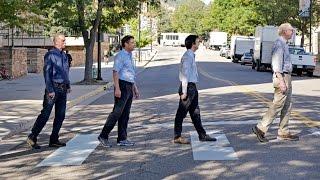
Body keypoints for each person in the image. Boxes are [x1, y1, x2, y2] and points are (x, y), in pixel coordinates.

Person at [252, 23, 299, 143]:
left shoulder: (284, 44)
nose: (292, 32)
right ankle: (261, 128)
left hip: (286, 76)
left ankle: (283, 131)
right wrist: (281, 81)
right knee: (278, 104)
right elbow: (277, 64)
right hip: (281, 76)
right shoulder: (279, 44)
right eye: (290, 30)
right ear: (284, 31)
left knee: (287, 105)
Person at [27, 34, 71, 149]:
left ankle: (54, 139)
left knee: (60, 115)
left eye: (65, 40)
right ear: (56, 42)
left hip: (63, 89)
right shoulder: (50, 55)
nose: (65, 42)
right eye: (63, 40)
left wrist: (68, 85)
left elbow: (65, 72)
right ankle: (32, 136)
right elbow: (47, 73)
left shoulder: (64, 55)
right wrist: (50, 90)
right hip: (53, 89)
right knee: (45, 114)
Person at [173, 35, 217, 144]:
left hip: (192, 87)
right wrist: (184, 91)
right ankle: (177, 137)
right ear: (193, 44)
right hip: (188, 87)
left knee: (195, 112)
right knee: (181, 113)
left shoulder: (191, 55)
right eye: (197, 42)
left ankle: (202, 135)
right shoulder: (188, 57)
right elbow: (185, 75)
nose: (199, 43)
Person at [98, 35, 139, 147]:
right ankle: (103, 135)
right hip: (122, 85)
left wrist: (134, 88)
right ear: (125, 44)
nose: (134, 44)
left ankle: (122, 138)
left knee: (125, 114)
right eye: (132, 42)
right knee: (117, 112)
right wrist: (117, 88)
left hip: (129, 85)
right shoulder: (120, 56)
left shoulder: (130, 56)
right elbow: (115, 72)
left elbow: (130, 73)